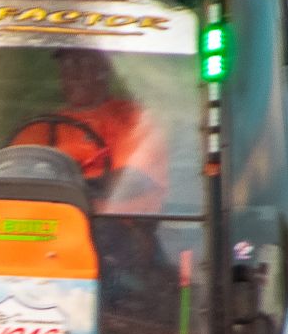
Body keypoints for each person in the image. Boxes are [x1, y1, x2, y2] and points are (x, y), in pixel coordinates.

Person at [10, 48, 169, 216]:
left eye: (84, 64)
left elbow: (132, 180)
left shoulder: (134, 120)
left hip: (121, 226)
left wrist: (61, 187)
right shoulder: (42, 127)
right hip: (53, 227)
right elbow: (14, 171)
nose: (74, 74)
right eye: (67, 65)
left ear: (104, 69)